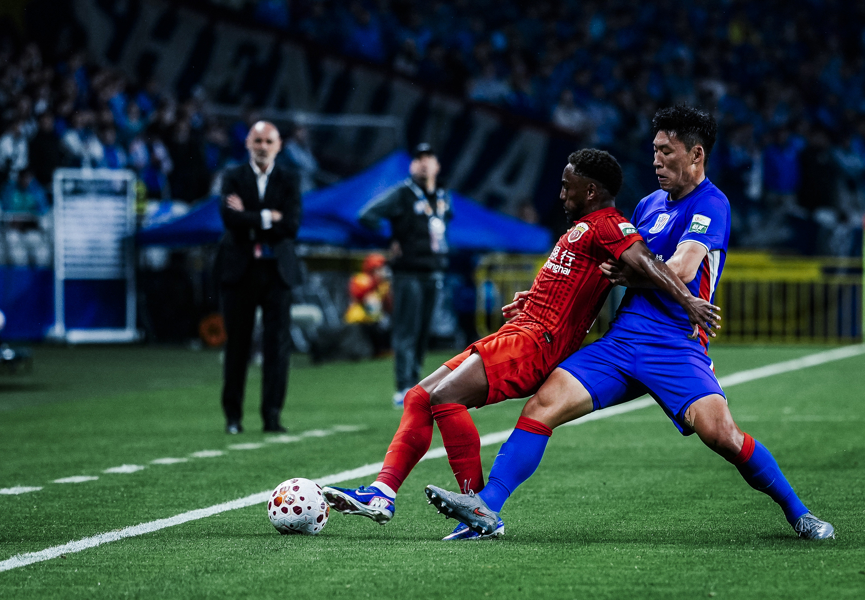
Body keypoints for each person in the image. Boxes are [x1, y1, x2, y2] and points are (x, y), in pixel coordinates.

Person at [425, 106, 835, 541]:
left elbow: (681, 269)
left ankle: (799, 513)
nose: (656, 161)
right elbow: (605, 266)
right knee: (542, 406)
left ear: (696, 154)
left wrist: (635, 274)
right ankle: (487, 508)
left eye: (666, 152)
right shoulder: (647, 205)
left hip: (674, 345)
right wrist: (545, 294)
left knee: (722, 436)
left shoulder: (712, 203)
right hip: (622, 341)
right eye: (654, 151)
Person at [325, 148, 718, 540]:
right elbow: (570, 279)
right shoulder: (585, 226)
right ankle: (382, 493)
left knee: (445, 398)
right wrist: (533, 297)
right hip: (521, 329)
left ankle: (477, 510)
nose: (561, 194)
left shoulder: (610, 225)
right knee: (418, 397)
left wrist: (688, 301)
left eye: (567, 186)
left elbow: (647, 261)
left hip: (537, 342)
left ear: (591, 191)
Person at [217, 121, 302, 434]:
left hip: (277, 271)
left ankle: (272, 416)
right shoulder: (232, 176)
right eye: (257, 141)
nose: (263, 147)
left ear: (278, 146)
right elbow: (229, 219)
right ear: (248, 144)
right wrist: (269, 215)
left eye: (268, 141)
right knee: (237, 344)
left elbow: (291, 225)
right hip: (240, 270)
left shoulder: (290, 178)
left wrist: (249, 215)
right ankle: (233, 417)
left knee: (277, 345)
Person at [357, 143, 452, 407]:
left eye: (428, 158)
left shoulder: (443, 195)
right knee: (406, 331)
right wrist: (390, 238)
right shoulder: (402, 194)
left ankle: (415, 383)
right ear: (412, 166)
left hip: (433, 269)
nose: (423, 163)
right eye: (418, 159)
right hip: (407, 271)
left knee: (422, 332)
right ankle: (402, 387)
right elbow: (366, 216)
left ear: (437, 166)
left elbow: (445, 224)